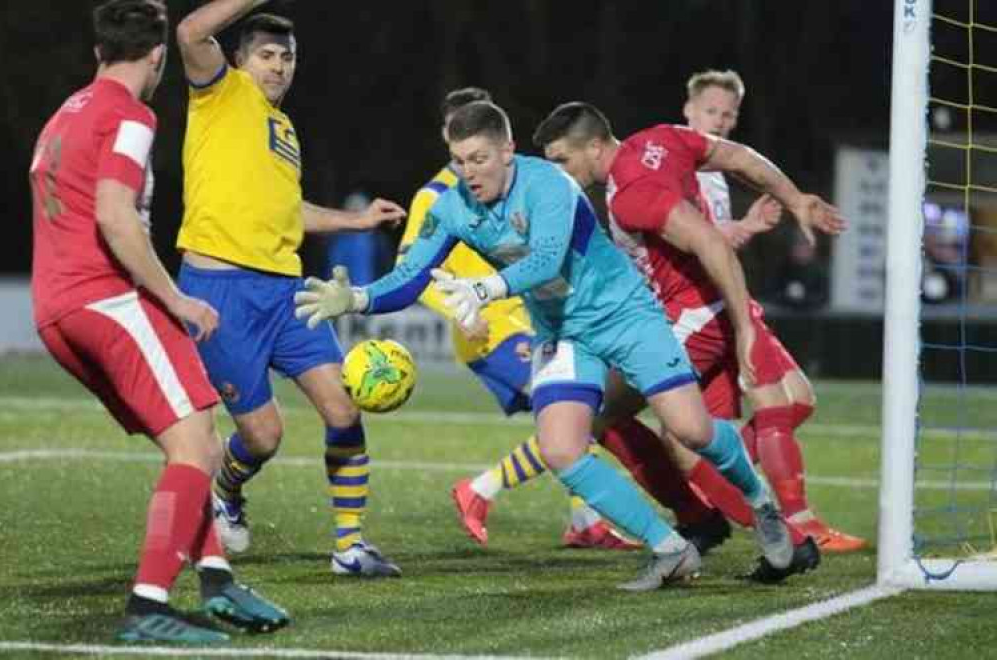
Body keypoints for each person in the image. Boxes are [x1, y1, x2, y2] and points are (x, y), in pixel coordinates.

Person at [296, 100, 797, 591]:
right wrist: (358, 297)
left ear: (507, 151)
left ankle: (762, 504)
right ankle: (670, 549)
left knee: (691, 429)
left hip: (625, 315)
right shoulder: (452, 208)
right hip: (561, 333)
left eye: (480, 159)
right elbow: (410, 277)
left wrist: (483, 289)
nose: (469, 173)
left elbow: (547, 260)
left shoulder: (548, 184)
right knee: (561, 450)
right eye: (460, 160)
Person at [29, 0, 288, 643]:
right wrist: (176, 300)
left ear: (98, 54)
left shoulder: (66, 112)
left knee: (187, 445)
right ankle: (148, 604)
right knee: (198, 441)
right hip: (105, 299)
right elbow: (115, 215)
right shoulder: (131, 114)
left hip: (55, 308)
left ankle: (217, 576)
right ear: (156, 58)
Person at [532, 94, 861, 572]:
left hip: (694, 315)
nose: (559, 173)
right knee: (704, 435)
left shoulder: (632, 192)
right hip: (711, 308)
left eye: (562, 160)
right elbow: (739, 157)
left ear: (595, 145)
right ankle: (745, 529)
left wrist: (745, 328)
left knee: (608, 418)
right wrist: (796, 200)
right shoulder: (658, 140)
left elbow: (708, 241)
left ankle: (739, 528)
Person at [174, 0, 406, 577]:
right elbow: (187, 30)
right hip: (220, 290)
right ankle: (226, 490)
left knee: (344, 405)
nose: (279, 66)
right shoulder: (219, 92)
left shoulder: (283, 128)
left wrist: (355, 221)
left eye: (287, 58)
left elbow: (287, 210)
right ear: (239, 60)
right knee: (263, 435)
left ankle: (349, 548)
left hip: (286, 292)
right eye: (267, 55)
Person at [404, 87, 635, 550]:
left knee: (576, 410)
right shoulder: (436, 198)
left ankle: (584, 520)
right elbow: (412, 272)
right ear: (447, 136)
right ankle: (480, 490)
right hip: (491, 330)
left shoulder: (512, 186)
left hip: (533, 319)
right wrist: (460, 312)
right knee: (574, 412)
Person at [681, 70, 862, 550]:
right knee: (772, 406)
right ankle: (802, 523)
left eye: (728, 114)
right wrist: (743, 229)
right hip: (702, 309)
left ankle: (714, 488)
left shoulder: (714, 170)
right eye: (711, 111)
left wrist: (746, 226)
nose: (719, 121)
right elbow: (692, 244)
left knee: (796, 401)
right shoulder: (679, 168)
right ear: (688, 111)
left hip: (725, 300)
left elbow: (713, 239)